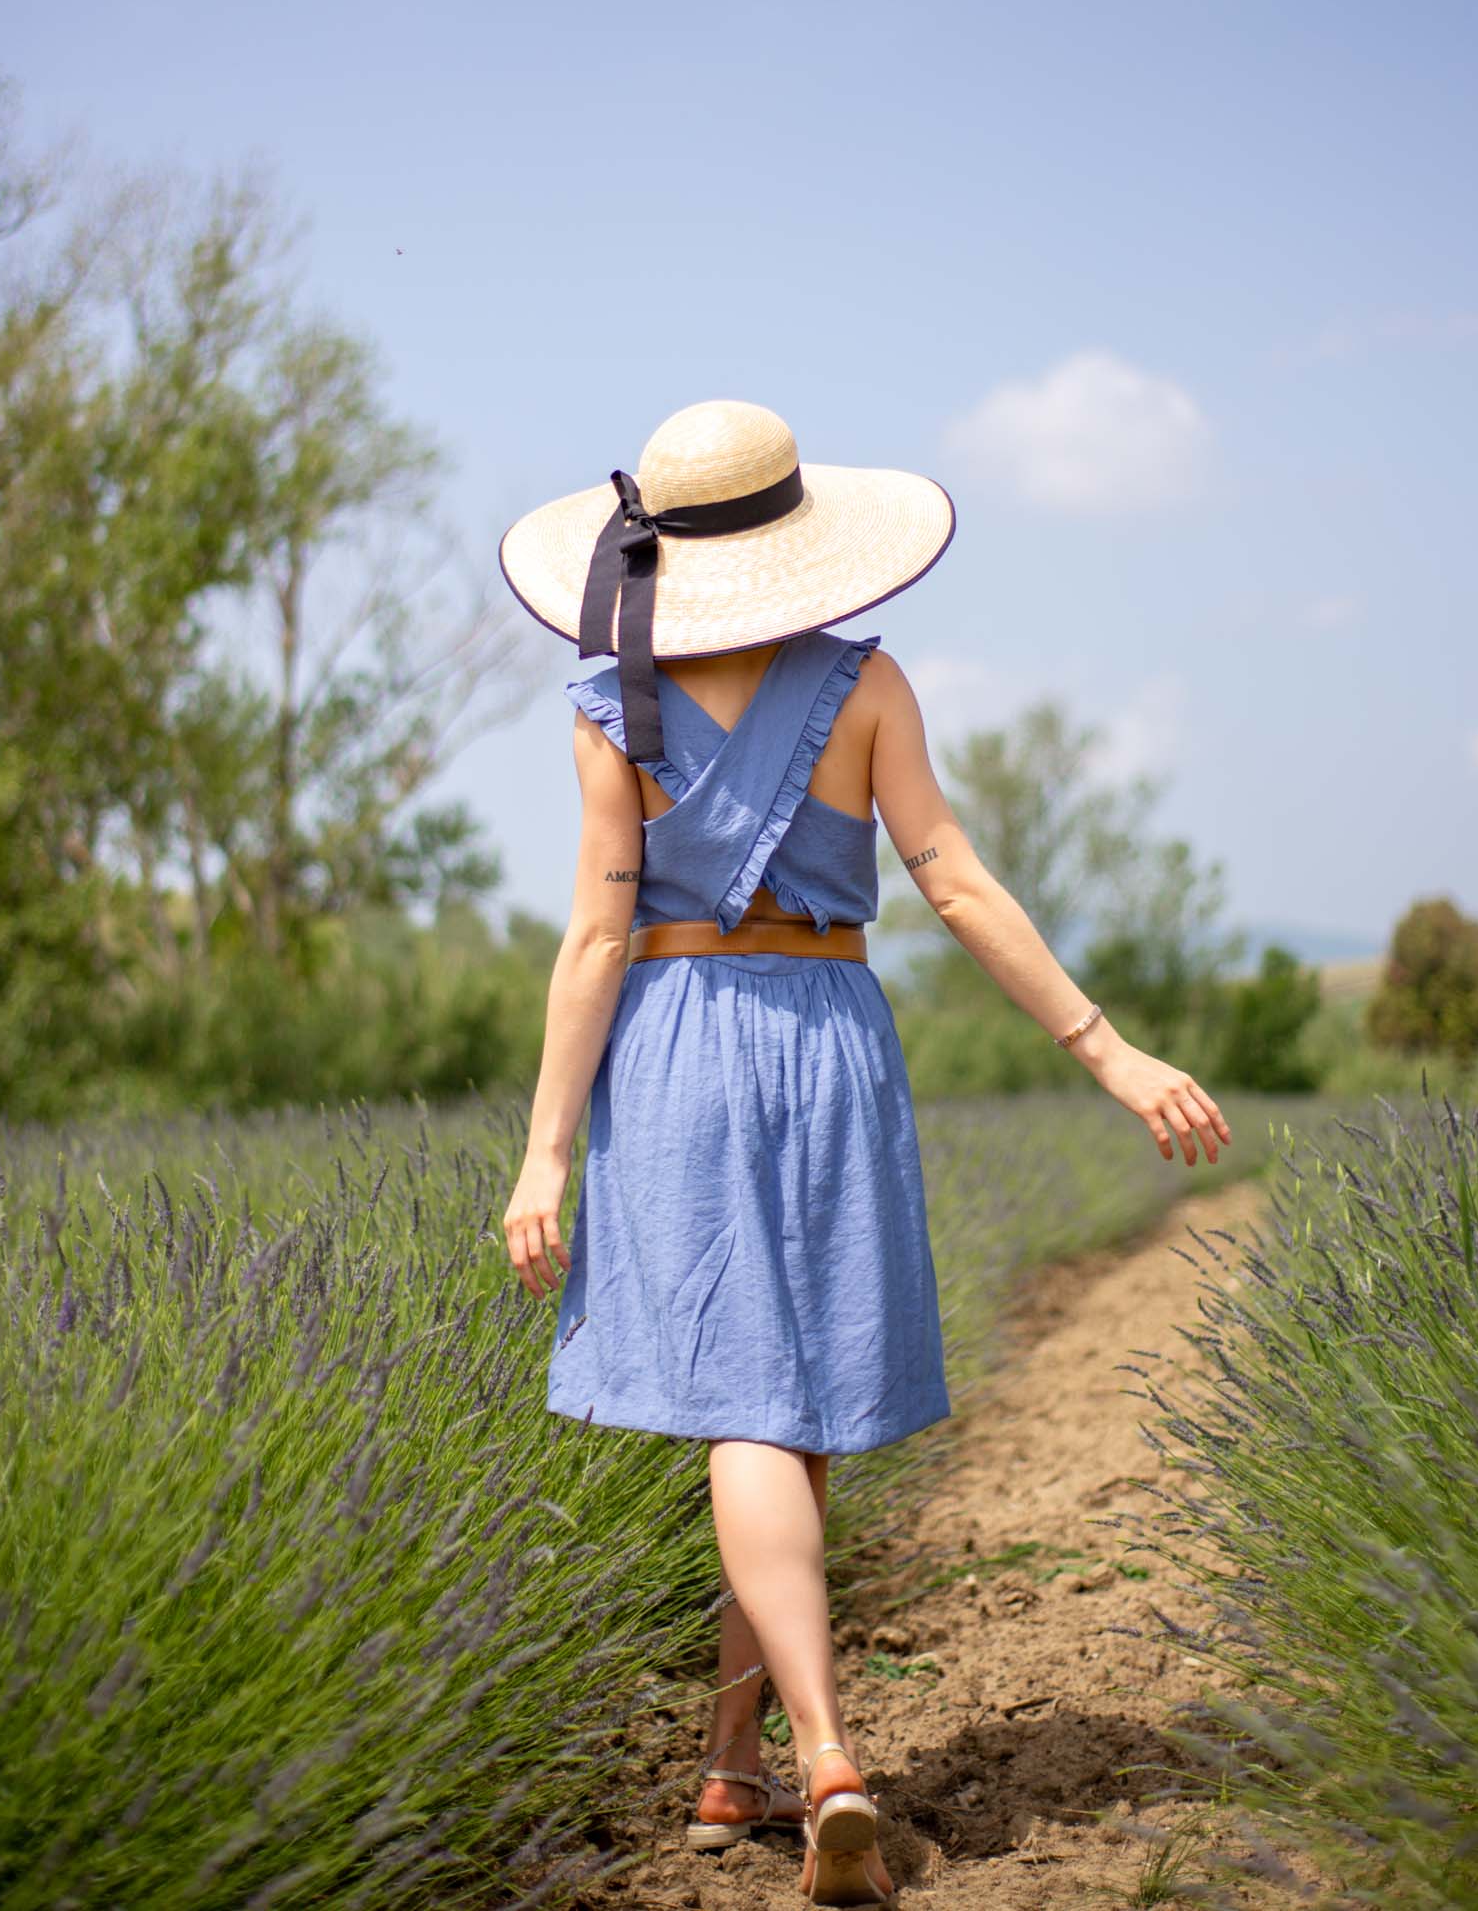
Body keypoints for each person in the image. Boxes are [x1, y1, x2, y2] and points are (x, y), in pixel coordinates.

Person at [496, 399, 1231, 1907]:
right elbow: (953, 882)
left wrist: (545, 1156)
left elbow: (592, 938)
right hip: (829, 1037)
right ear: (795, 536)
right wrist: (1111, 1050)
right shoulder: (868, 683)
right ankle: (817, 1757)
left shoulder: (603, 707)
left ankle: (756, 1758)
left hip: (679, 1037)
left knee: (749, 1406)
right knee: (789, 1403)